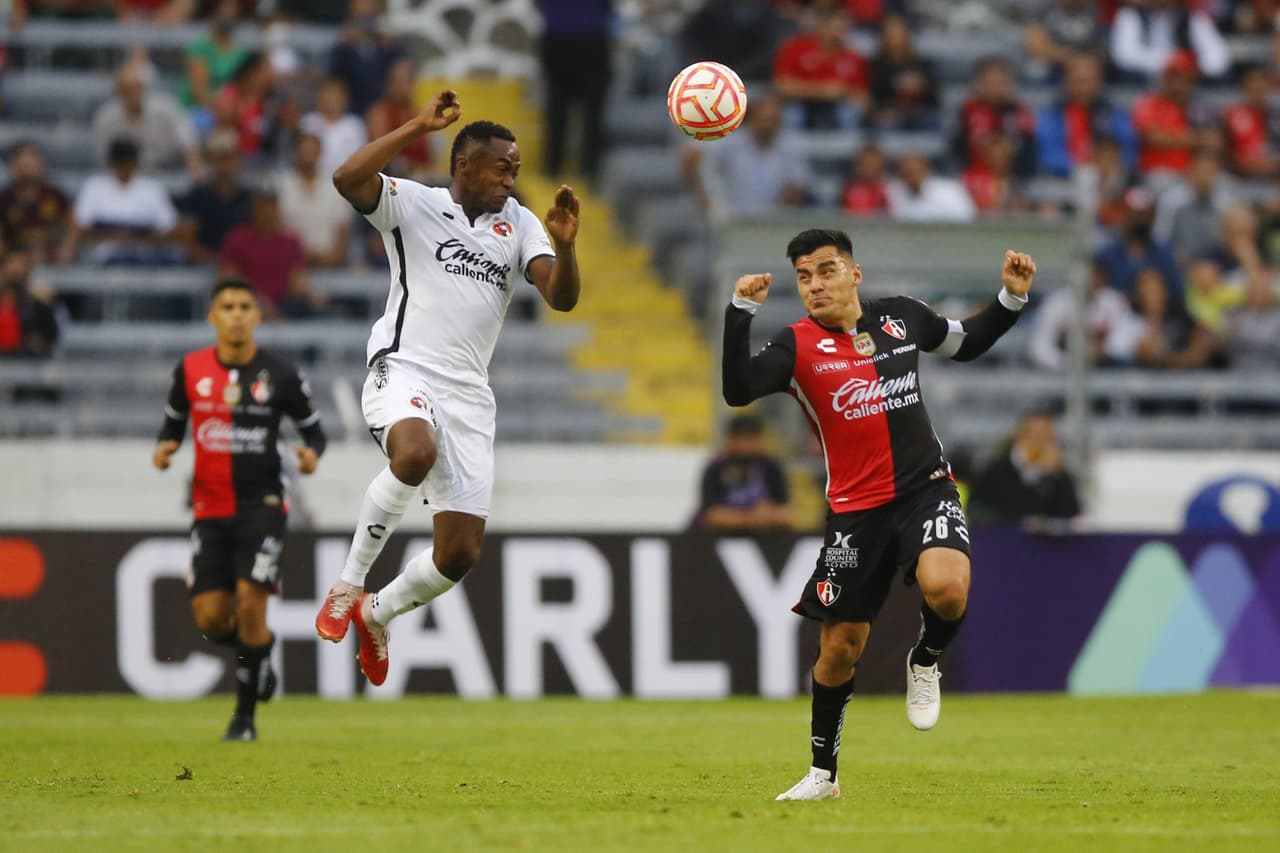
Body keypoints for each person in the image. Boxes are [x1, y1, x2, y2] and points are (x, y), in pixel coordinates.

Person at [722, 228, 1036, 800]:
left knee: (948, 589)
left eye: (826, 270)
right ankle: (823, 775)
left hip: (925, 489)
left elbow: (965, 342)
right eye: (805, 276)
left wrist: (1010, 298)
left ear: (854, 273)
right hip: (855, 513)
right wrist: (741, 311)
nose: (816, 284)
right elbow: (738, 390)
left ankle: (926, 658)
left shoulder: (902, 318)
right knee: (840, 648)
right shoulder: (795, 346)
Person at [312, 91, 584, 688]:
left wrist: (564, 245)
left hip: (469, 396)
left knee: (458, 554)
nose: (510, 179)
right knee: (414, 452)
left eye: (515, 169)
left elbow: (561, 298)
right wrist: (416, 125)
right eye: (501, 168)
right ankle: (348, 584)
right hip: (404, 367)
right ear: (464, 165)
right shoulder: (413, 203)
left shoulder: (521, 225)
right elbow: (345, 177)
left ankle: (376, 611)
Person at [153, 277, 327, 741]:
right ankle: (259, 657)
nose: (235, 313)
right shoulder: (189, 370)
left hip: (263, 506)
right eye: (226, 306)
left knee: (251, 602)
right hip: (208, 509)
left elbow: (315, 432)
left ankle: (244, 719)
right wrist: (165, 447)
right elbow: (173, 420)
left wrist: (311, 454)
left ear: (256, 316)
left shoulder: (281, 375)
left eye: (244, 306)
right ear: (212, 316)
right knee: (212, 619)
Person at [535, 0, 612, 182]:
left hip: (566, 34)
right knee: (585, 110)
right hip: (586, 35)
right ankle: (586, 167)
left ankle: (555, 165)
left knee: (559, 107)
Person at [968, 411, 1081, 526]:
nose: (1039, 442)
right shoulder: (996, 470)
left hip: (1044, 543)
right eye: (1034, 435)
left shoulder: (1058, 475)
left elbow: (1071, 514)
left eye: (1046, 437)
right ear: (1019, 436)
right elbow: (975, 509)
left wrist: (1056, 476)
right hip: (1003, 540)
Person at [94, 61, 203, 179]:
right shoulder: (106, 117)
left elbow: (188, 141)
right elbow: (105, 158)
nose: (131, 93)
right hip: (127, 175)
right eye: (125, 89)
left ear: (143, 88)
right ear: (117, 92)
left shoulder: (166, 107)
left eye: (135, 87)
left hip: (169, 168)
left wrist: (194, 168)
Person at [694, 414, 791, 532]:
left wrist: (769, 513)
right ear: (730, 440)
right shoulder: (715, 469)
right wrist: (751, 517)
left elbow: (786, 514)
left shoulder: (771, 468)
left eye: (752, 439)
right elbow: (711, 515)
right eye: (742, 439)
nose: (746, 446)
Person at [179, 129, 252, 265]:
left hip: (240, 265)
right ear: (211, 161)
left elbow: (255, 239)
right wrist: (215, 260)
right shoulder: (198, 194)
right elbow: (188, 241)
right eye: (220, 159)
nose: (225, 165)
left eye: (230, 158)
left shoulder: (247, 197)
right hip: (203, 263)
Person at [0, 142, 70, 263]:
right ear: (13, 165)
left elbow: (71, 224)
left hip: (51, 255)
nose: (29, 167)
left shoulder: (53, 194)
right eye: (24, 163)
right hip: (17, 257)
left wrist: (67, 248)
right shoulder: (5, 198)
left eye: (33, 161)